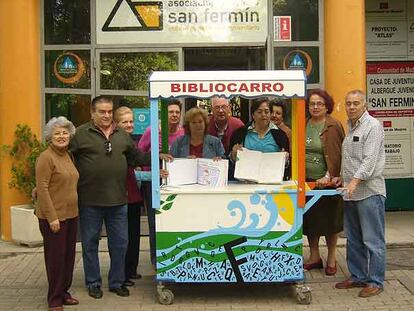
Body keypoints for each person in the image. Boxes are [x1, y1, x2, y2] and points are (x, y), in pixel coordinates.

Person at [70, 96, 169, 299]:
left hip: (118, 201)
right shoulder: (80, 134)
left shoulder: (122, 135)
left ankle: (116, 281)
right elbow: (66, 158)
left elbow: (136, 157)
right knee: (90, 244)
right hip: (90, 201)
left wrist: (156, 157)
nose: (106, 115)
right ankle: (93, 283)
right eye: (102, 112)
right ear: (92, 113)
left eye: (109, 111)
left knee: (120, 244)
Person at [334, 90, 386, 298]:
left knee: (372, 240)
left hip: (369, 193)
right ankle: (357, 276)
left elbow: (369, 161)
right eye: (348, 103)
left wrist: (354, 181)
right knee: (354, 239)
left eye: (356, 103)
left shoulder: (373, 126)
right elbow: (349, 159)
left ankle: (375, 281)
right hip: (351, 192)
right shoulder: (350, 126)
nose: (352, 107)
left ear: (364, 105)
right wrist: (342, 179)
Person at [35, 116, 79, 311]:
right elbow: (42, 189)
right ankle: (54, 299)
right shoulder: (46, 157)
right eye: (57, 133)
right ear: (49, 137)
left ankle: (64, 292)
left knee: (68, 257)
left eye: (64, 132)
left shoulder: (68, 155)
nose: (62, 136)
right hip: (54, 218)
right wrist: (52, 217)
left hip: (71, 215)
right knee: (55, 259)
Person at [302, 89, 345, 276]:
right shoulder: (304, 124)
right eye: (312, 103)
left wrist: (328, 176)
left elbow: (337, 156)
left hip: (328, 184)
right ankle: (314, 257)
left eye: (320, 103)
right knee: (311, 221)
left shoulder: (333, 126)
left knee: (330, 222)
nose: (316, 107)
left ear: (327, 105)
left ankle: (332, 258)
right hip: (307, 182)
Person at [137, 99, 184, 266]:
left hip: (175, 183)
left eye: (177, 112)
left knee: (173, 220)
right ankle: (156, 259)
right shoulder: (152, 132)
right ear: (163, 114)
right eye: (170, 112)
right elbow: (138, 154)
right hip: (152, 183)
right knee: (154, 220)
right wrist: (155, 162)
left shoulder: (183, 133)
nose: (174, 115)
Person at [229, 97, 290, 179]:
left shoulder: (281, 135)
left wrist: (285, 161)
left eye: (267, 111)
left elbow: (287, 166)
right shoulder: (240, 133)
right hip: (245, 182)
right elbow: (230, 161)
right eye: (259, 112)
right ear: (253, 115)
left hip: (272, 181)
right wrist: (233, 155)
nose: (263, 115)